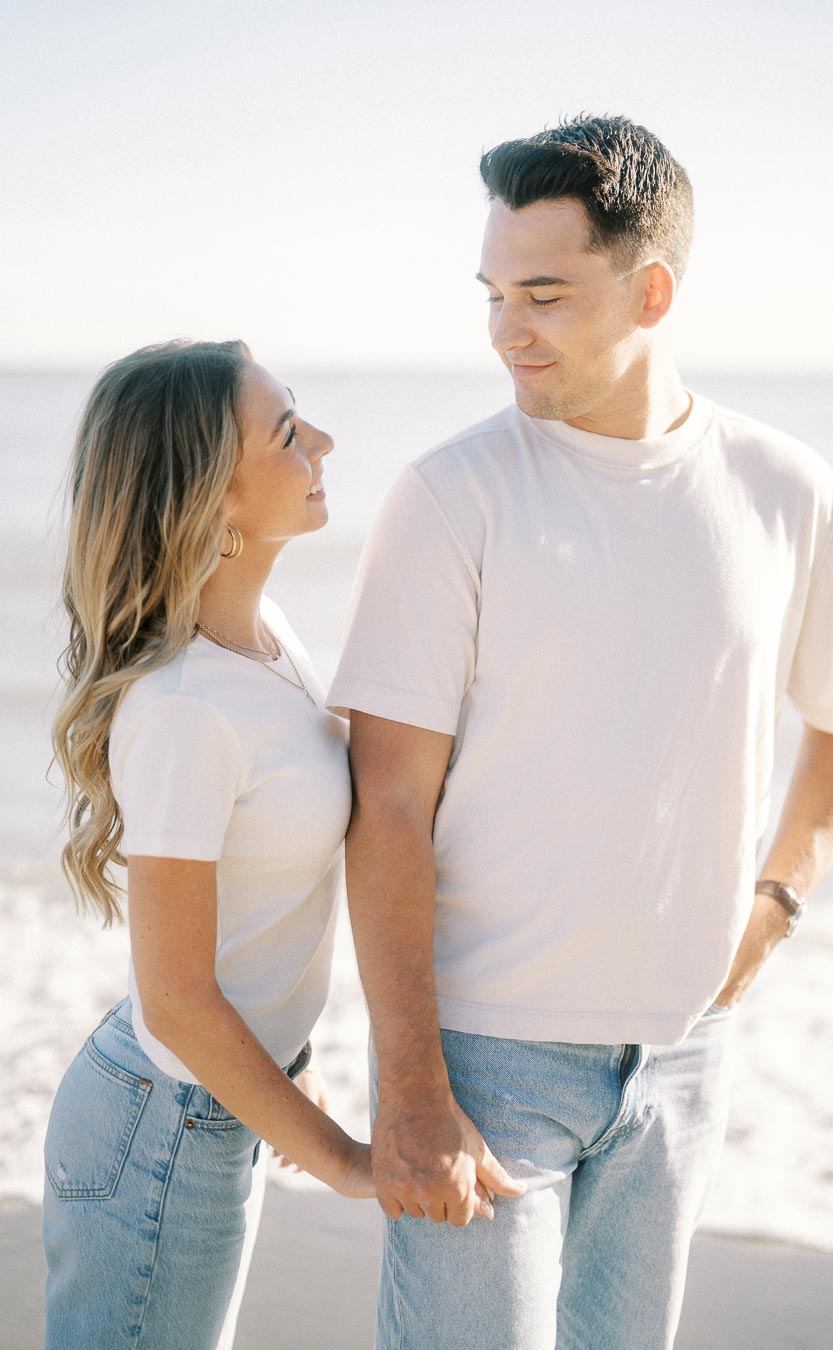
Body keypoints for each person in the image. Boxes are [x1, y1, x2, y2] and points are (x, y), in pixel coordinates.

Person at [327, 116, 833, 1349]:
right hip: (485, 1060)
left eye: (543, 294)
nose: (503, 331)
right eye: (490, 294)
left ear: (652, 289)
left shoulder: (788, 489)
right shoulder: (451, 496)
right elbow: (385, 807)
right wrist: (415, 1089)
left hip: (686, 1055)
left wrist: (777, 902)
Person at [44, 339, 382, 1350]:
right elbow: (180, 1001)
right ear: (212, 500)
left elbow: (259, 905)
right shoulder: (187, 709)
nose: (322, 441)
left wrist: (297, 1054)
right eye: (286, 434)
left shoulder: (268, 634)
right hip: (165, 1126)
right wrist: (345, 1162)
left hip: (210, 1108)